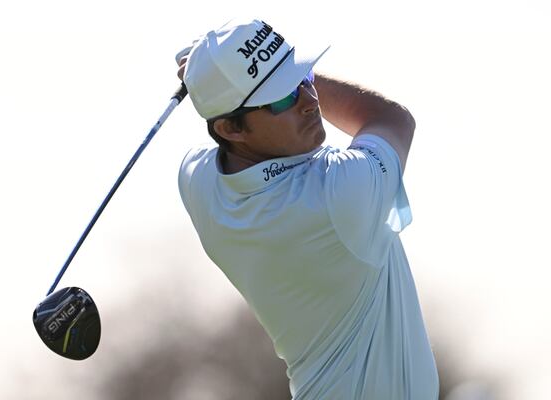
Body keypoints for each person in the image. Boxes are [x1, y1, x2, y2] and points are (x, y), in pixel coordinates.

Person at [175, 18, 439, 399]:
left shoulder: (196, 181)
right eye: (284, 97)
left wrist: (213, 75)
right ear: (231, 129)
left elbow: (221, 118)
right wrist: (208, 72)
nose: (309, 101)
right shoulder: (338, 194)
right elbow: (391, 119)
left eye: (302, 80)